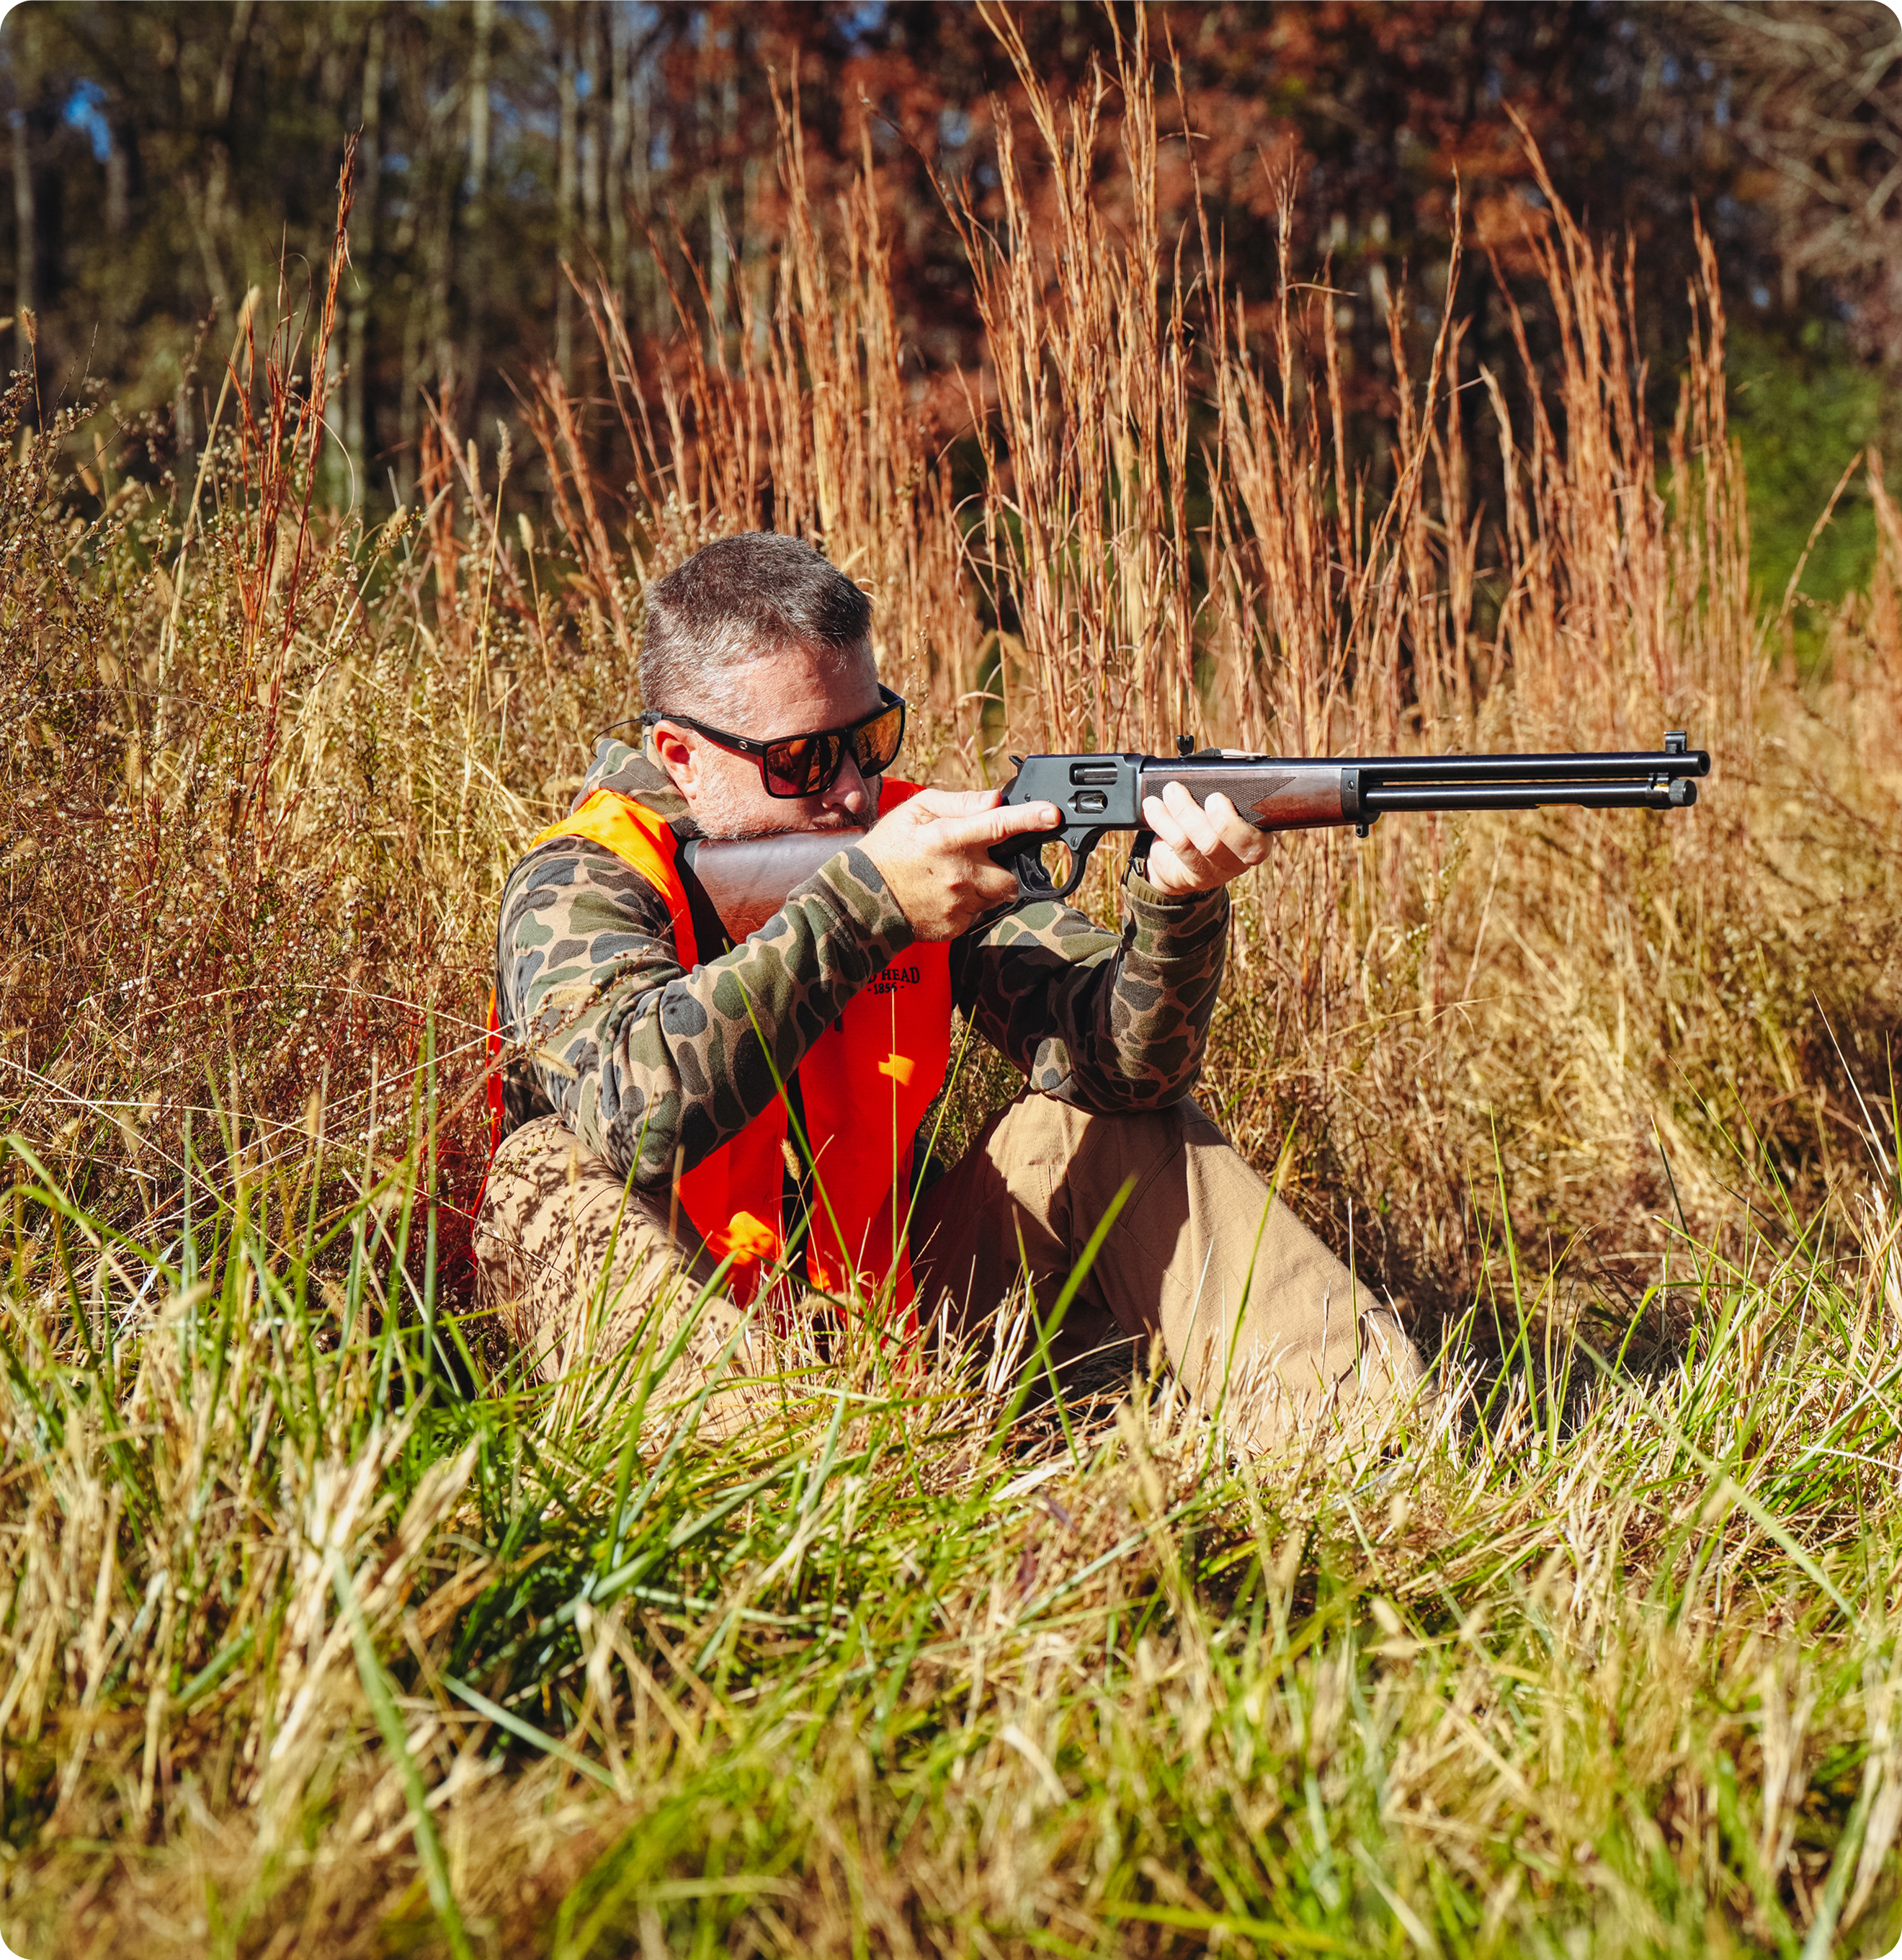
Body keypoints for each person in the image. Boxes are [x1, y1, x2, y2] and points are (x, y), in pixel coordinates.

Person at [473, 532, 1424, 1448]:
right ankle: (775, 1491)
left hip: (891, 1333)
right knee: (541, 1170)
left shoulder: (908, 840)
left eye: (869, 738)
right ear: (681, 756)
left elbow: (1124, 1070)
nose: (851, 791)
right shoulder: (583, 879)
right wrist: (863, 908)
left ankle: (1373, 1450)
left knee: (1098, 1126)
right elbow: (633, 1114)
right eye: (802, 760)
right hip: (677, 1336)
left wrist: (1173, 911)